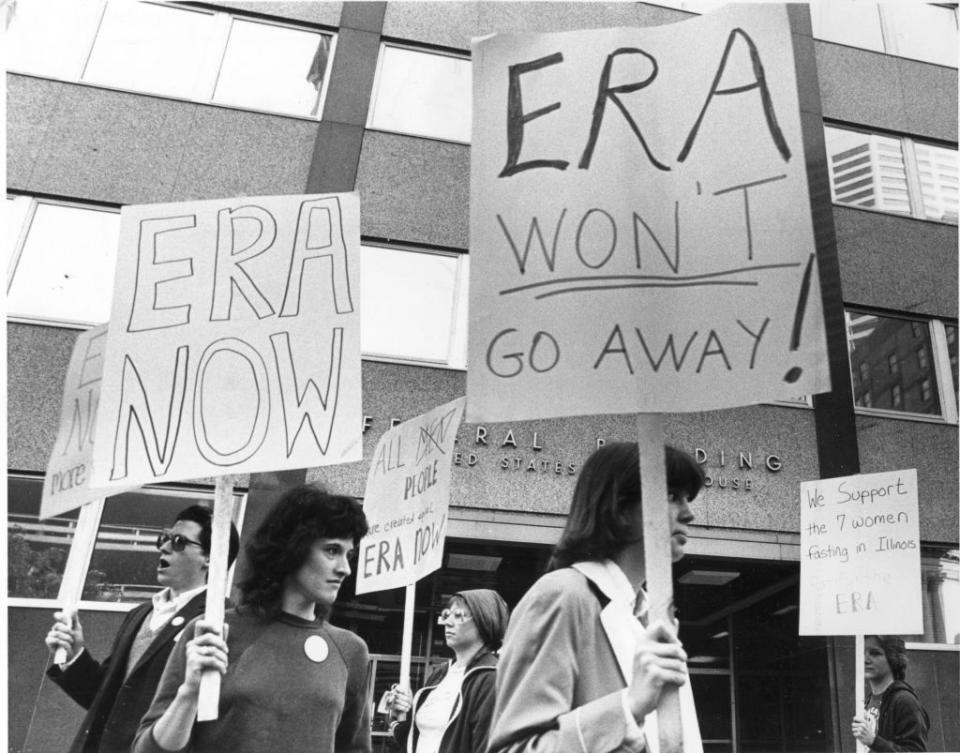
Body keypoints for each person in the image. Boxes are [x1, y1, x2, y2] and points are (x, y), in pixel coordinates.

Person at [488, 442, 705, 753]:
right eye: (671, 496)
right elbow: (514, 748)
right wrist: (627, 709)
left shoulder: (651, 617)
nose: (689, 514)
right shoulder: (562, 596)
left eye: (688, 498)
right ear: (619, 508)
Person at [133, 485, 372, 753]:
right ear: (294, 547)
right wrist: (188, 695)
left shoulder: (350, 651)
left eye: (348, 554)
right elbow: (147, 750)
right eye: (331, 550)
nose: (345, 569)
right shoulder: (214, 633)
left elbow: (355, 749)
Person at [43, 505, 240, 753]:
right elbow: (106, 700)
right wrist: (74, 655)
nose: (164, 547)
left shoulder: (221, 621)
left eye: (178, 542)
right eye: (165, 538)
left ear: (210, 558)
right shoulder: (141, 613)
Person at [387, 589, 510, 753]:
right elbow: (421, 738)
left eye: (459, 616)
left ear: (485, 621)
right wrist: (398, 716)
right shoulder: (441, 674)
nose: (447, 622)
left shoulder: (490, 678)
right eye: (446, 615)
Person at [852, 635, 930, 752]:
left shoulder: (904, 701)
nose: (865, 659)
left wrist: (874, 741)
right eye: (862, 652)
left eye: (875, 653)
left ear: (893, 658)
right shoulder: (868, 700)